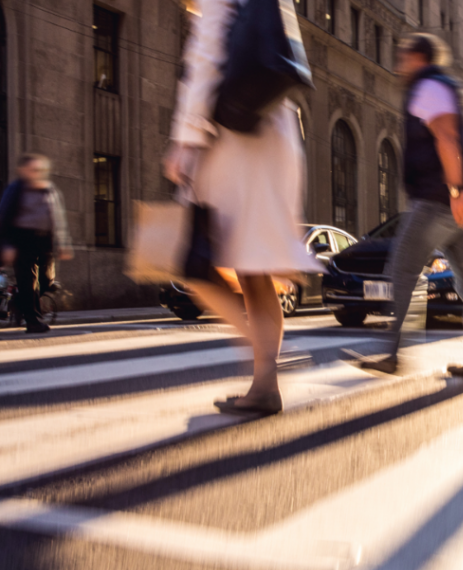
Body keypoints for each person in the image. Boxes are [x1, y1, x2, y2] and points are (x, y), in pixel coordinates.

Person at [164, 0, 320, 415]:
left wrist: (185, 139)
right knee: (252, 272)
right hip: (272, 131)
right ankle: (265, 381)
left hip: (235, 143)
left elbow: (207, 57)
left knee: (196, 267)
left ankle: (266, 364)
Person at [359, 33, 463, 378]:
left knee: (403, 269)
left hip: (441, 200)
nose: (399, 64)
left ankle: (392, 354)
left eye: (403, 57)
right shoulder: (451, 88)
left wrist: (455, 191)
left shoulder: (429, 85)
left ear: (418, 58)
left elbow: (446, 137)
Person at [0, 154, 72, 334]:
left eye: (40, 170)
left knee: (47, 281)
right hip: (22, 239)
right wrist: (7, 244)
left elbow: (58, 218)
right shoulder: (16, 189)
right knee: (28, 282)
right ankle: (33, 322)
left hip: (45, 241)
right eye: (33, 170)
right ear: (23, 171)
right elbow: (4, 217)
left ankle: (20, 302)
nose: (37, 173)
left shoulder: (49, 189)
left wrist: (63, 243)